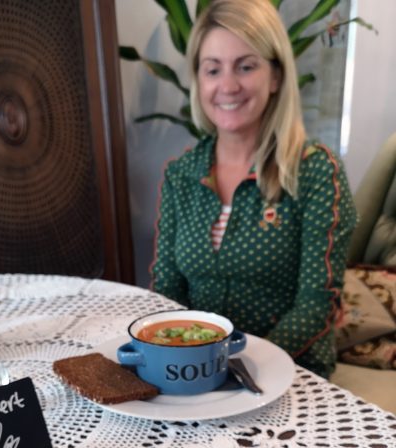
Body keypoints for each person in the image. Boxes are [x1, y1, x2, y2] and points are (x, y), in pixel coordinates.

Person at [150, 0, 357, 379]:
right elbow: (168, 291)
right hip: (196, 371)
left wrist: (240, 367)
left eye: (246, 66)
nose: (228, 85)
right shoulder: (181, 174)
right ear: (199, 79)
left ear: (275, 76)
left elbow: (317, 305)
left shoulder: (315, 173)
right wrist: (182, 361)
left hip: (291, 373)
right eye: (213, 69)